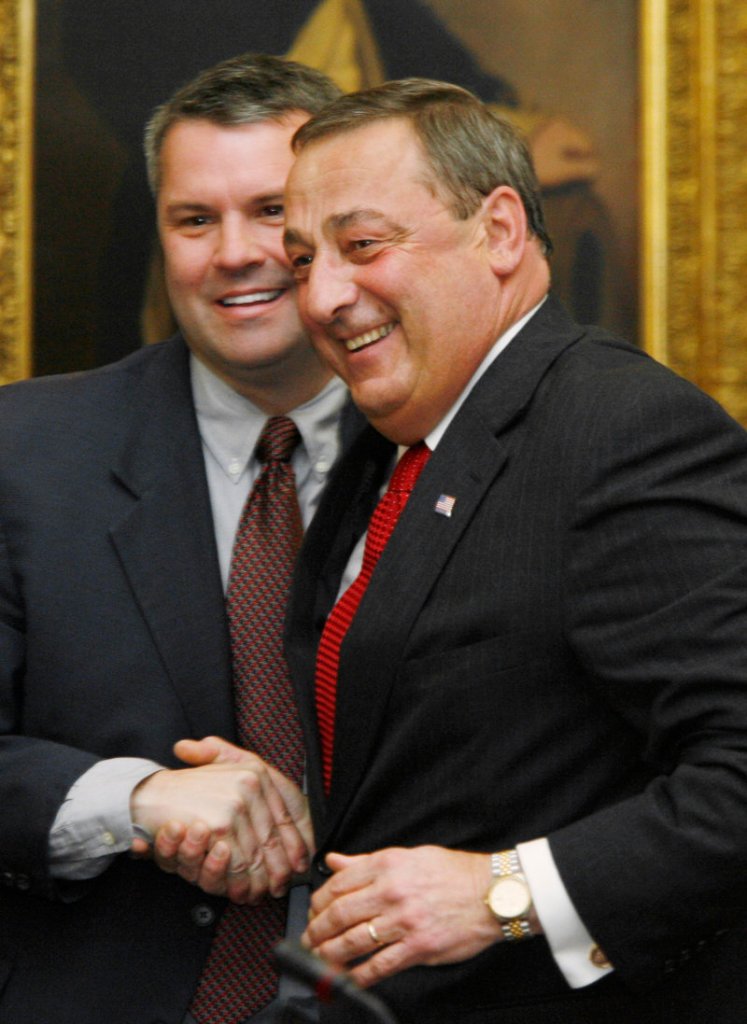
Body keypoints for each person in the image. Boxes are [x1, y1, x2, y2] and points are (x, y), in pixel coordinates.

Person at [275, 79, 747, 1023]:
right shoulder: (396, 445)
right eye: (301, 261)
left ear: (497, 230)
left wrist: (507, 895)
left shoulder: (618, 426)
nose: (322, 296)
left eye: (363, 245)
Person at [0, 53, 354, 1024]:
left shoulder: (448, 450)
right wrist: (132, 799)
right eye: (194, 220)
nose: (234, 253)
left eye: (273, 211)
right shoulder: (23, 453)